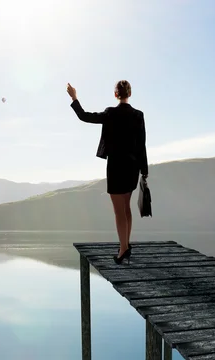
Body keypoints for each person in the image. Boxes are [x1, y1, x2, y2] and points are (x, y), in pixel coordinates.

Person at [67, 80, 148, 265]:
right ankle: (125, 245)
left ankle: (123, 250)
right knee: (126, 207)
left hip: (117, 166)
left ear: (115, 94)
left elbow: (85, 116)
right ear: (130, 93)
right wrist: (144, 170)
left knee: (119, 211)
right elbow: (142, 144)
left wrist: (74, 98)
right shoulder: (138, 115)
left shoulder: (111, 113)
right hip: (133, 167)